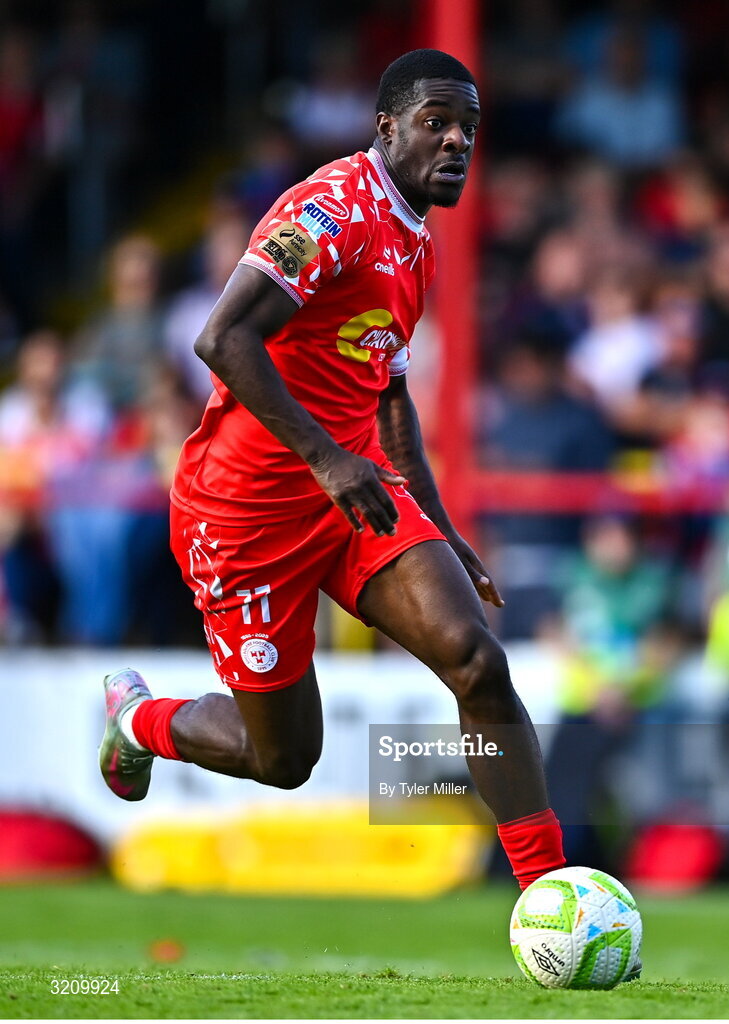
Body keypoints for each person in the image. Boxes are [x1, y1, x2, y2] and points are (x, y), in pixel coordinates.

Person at [99, 50, 565, 892]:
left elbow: (389, 398)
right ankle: (141, 720)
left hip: (350, 500)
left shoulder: (416, 237)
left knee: (476, 659)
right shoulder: (331, 209)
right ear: (387, 127)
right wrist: (325, 459)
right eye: (436, 123)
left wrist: (444, 528)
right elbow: (222, 338)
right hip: (243, 513)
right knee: (282, 760)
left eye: (469, 128)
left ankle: (552, 894)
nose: (457, 141)